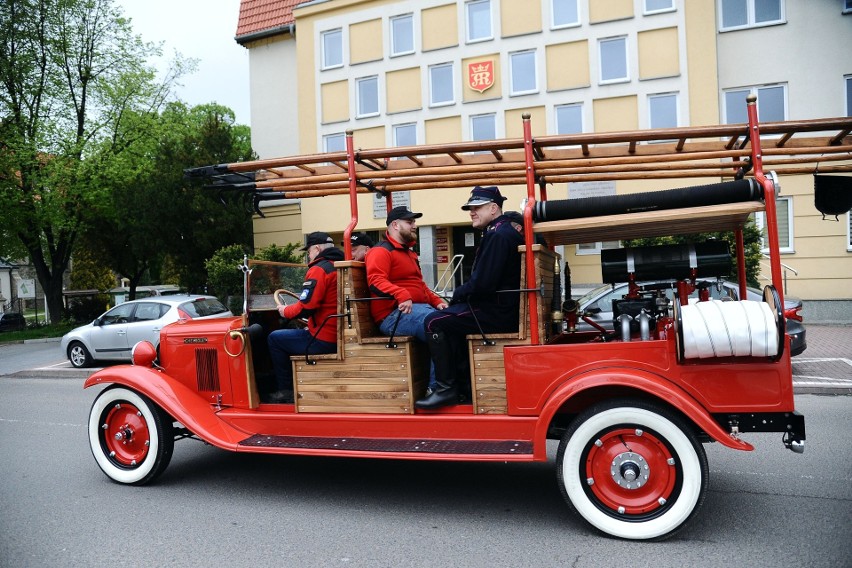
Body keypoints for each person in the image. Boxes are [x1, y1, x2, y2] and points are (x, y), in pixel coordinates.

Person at [417, 186, 525, 409]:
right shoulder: (501, 232)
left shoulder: (498, 235)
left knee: (433, 321)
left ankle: (446, 389)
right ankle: (463, 387)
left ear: (494, 208)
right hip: (501, 306)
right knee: (448, 320)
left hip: (495, 310)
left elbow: (483, 284)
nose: (472, 212)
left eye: (477, 207)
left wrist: (457, 295)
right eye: (470, 208)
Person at [366, 206, 448, 391]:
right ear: (395, 225)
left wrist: (438, 302)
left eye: (414, 222)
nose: (415, 226)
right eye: (410, 222)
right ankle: (436, 390)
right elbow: (375, 281)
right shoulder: (381, 251)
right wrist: (401, 294)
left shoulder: (409, 253)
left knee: (452, 320)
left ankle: (454, 386)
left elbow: (420, 286)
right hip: (392, 316)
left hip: (414, 311)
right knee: (438, 325)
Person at [266, 231, 344, 403]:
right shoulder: (340, 265)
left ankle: (286, 392)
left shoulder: (319, 269)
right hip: (338, 333)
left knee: (274, 339)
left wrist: (284, 311)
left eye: (308, 252)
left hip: (324, 338)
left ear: (316, 248)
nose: (308, 256)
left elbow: (306, 307)